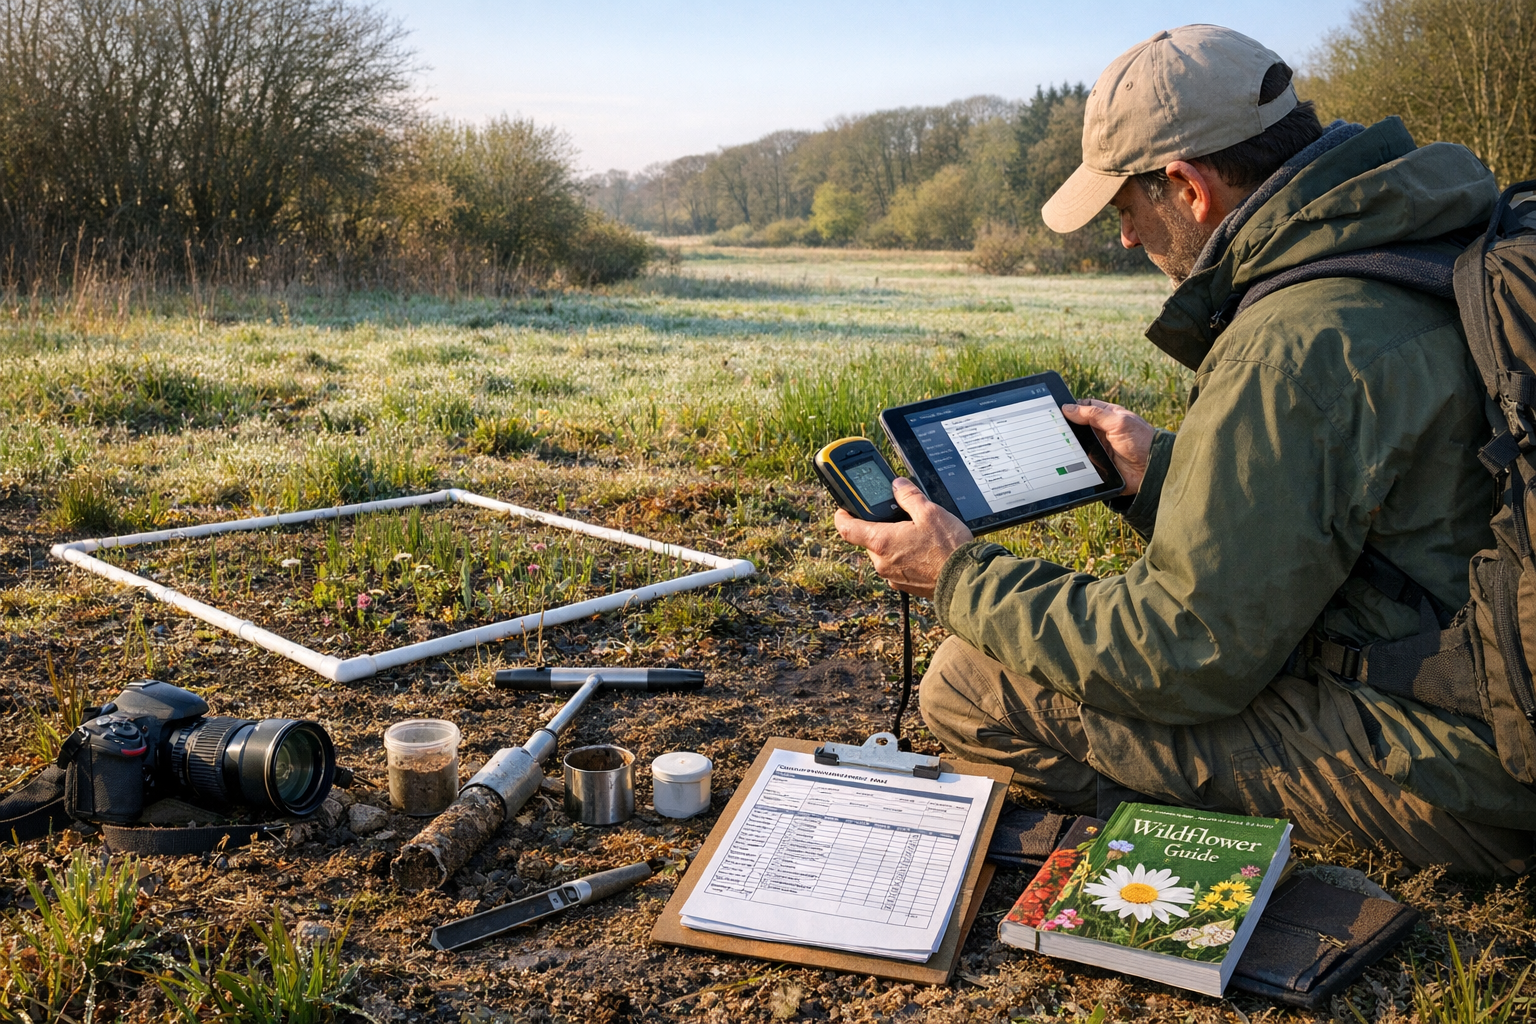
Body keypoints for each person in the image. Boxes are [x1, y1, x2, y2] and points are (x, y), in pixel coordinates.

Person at [835, 24, 1536, 876]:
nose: (1127, 238)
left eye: (1127, 209)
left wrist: (957, 575)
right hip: (1491, 685)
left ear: (1187, 187)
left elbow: (1182, 654)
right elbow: (1393, 518)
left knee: (965, 681)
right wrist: (1169, 476)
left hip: (1476, 771)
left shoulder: (1291, 345)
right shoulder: (1435, 238)